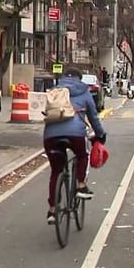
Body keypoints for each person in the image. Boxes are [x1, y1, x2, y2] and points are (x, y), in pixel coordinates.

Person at [43, 67, 107, 224]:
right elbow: (93, 117)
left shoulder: (53, 90)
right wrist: (100, 135)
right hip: (76, 133)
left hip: (50, 135)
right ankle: (81, 185)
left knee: (56, 171)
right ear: (80, 79)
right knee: (82, 154)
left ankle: (52, 210)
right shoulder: (84, 92)